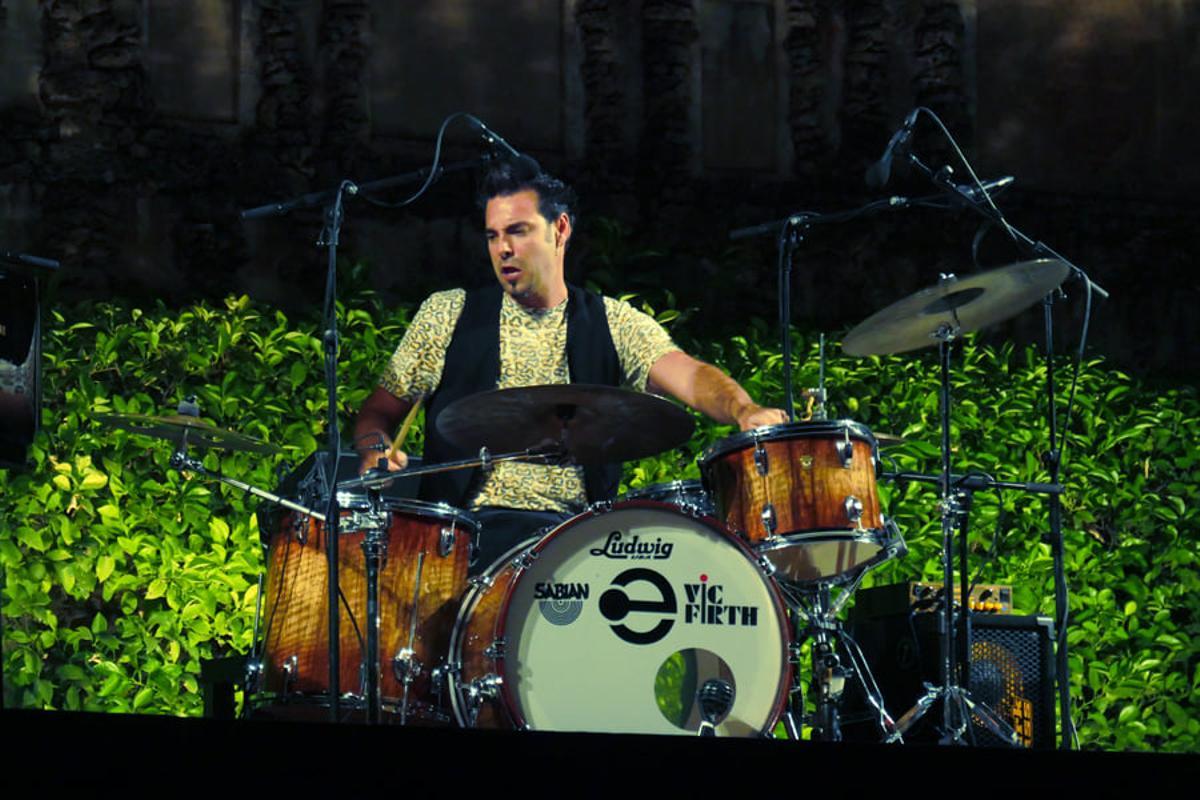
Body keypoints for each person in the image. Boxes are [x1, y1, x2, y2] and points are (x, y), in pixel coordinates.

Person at [353, 161, 786, 570]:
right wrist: (374, 447)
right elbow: (379, 411)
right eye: (492, 235)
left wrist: (743, 410)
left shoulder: (615, 323)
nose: (503, 249)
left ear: (560, 230)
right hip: (464, 542)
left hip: (580, 545)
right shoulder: (447, 314)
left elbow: (690, 375)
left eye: (518, 232)